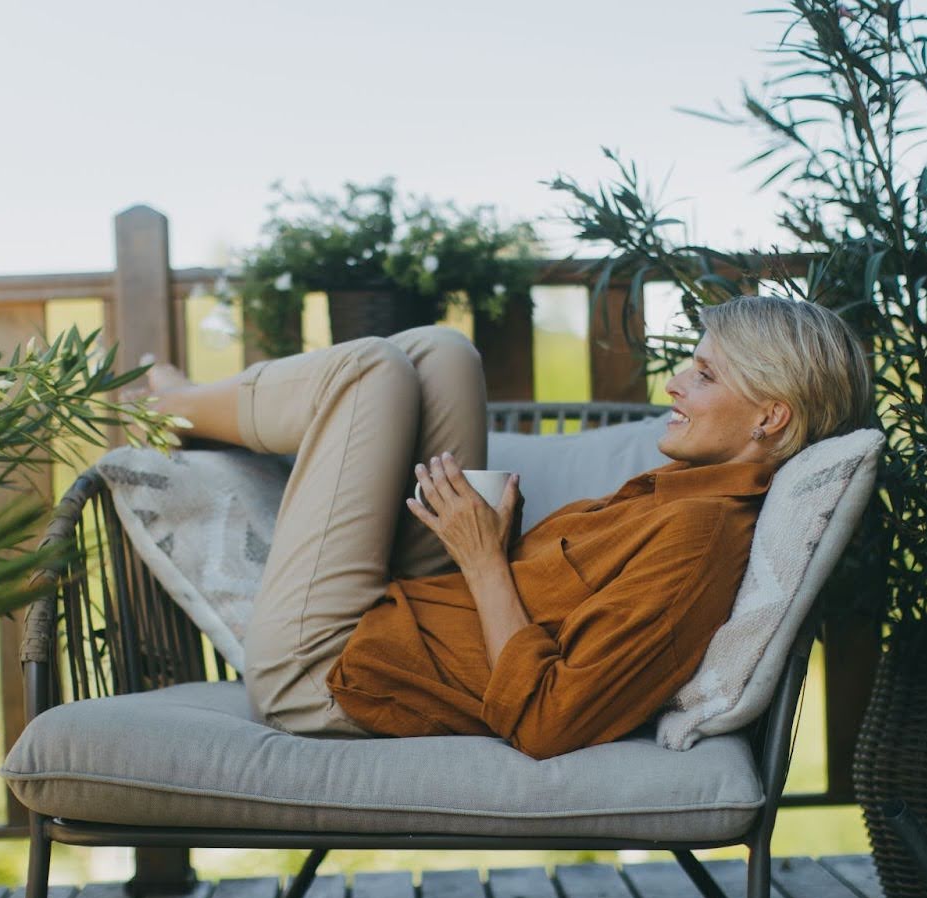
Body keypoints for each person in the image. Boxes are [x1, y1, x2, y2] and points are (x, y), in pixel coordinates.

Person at [143, 295, 871, 758]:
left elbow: (550, 719)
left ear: (771, 417)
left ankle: (166, 409)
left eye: (705, 377)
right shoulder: (679, 493)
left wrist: (486, 558)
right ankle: (208, 408)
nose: (675, 385)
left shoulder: (700, 539)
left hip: (333, 665)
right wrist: (500, 538)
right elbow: (561, 604)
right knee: (441, 353)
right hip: (423, 611)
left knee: (371, 372)